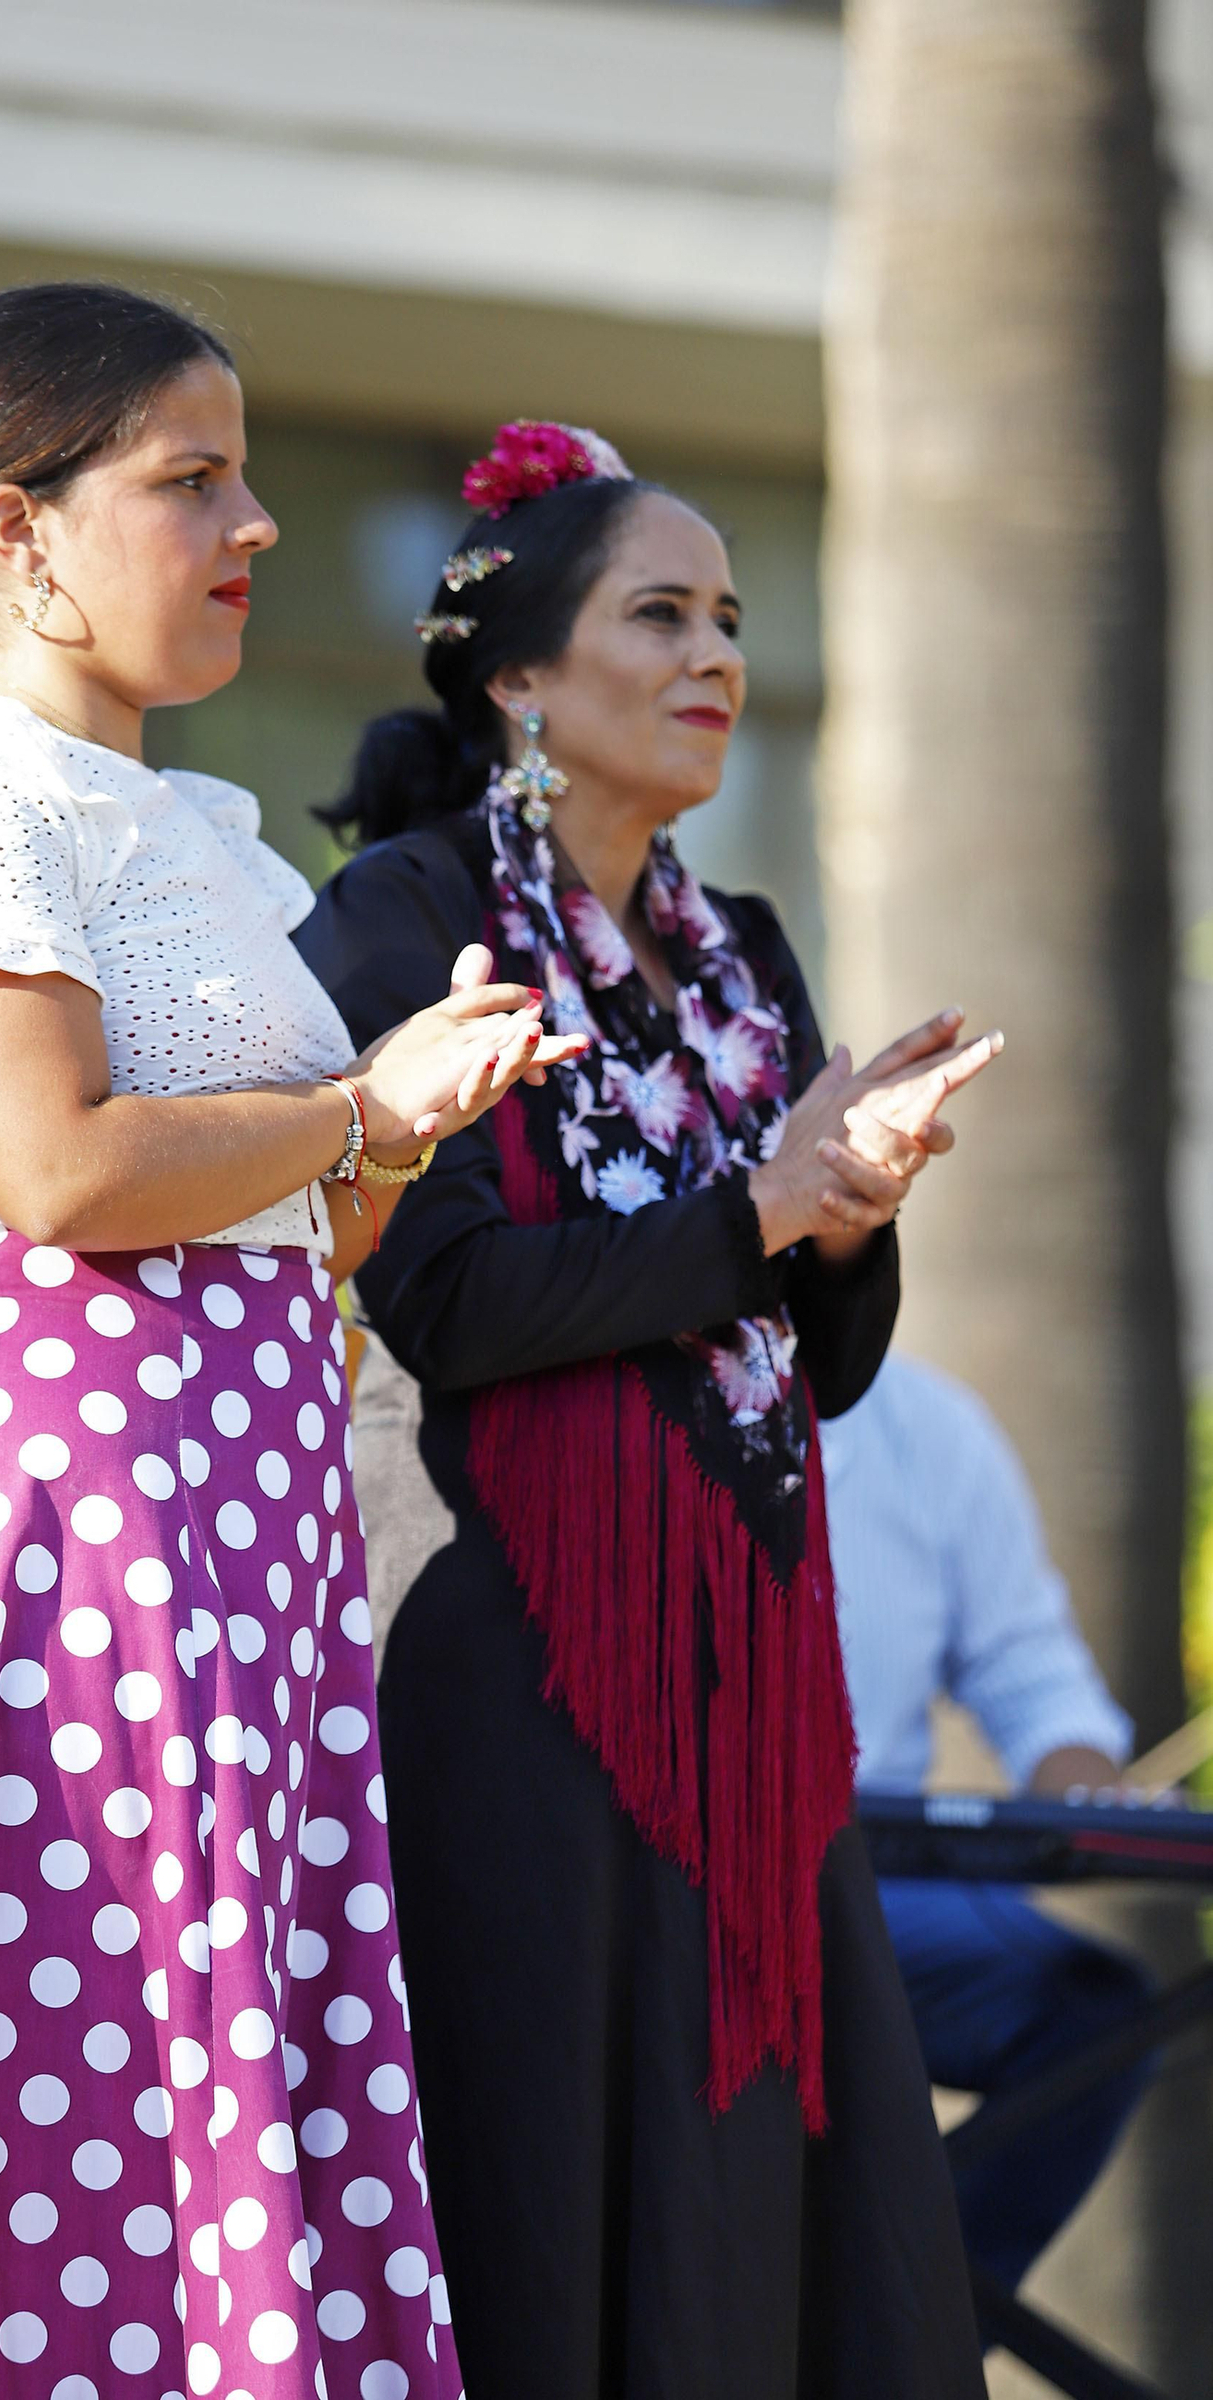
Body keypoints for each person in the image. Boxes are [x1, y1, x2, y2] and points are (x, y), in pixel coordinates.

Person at [0, 285, 589, 2400]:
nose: (251, 523)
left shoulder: (188, 844)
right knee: (24, 2143)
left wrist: (394, 1117)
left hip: (215, 1552)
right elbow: (56, 1170)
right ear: (21, 532)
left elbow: (277, 1236)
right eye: (190, 482)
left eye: (242, 475)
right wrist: (363, 1109)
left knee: (159, 2141)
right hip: (46, 1559)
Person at [294, 417, 1002, 2400]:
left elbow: (820, 1366)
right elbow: (431, 1298)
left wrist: (844, 1214)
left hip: (744, 1669)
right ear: (519, 677)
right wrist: (759, 1204)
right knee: (533, 2180)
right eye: (660, 615)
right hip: (510, 1658)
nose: (715, 659)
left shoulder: (739, 954)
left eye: (728, 620)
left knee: (759, 2205)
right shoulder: (399, 920)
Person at [823, 1350, 1153, 2296]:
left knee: (1091, 2010)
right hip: (653, 1879)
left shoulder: (930, 1428)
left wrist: (1083, 1792)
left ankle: (914, 2321)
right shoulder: (603, 1388)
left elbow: (1035, 1679)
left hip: (869, 1888)